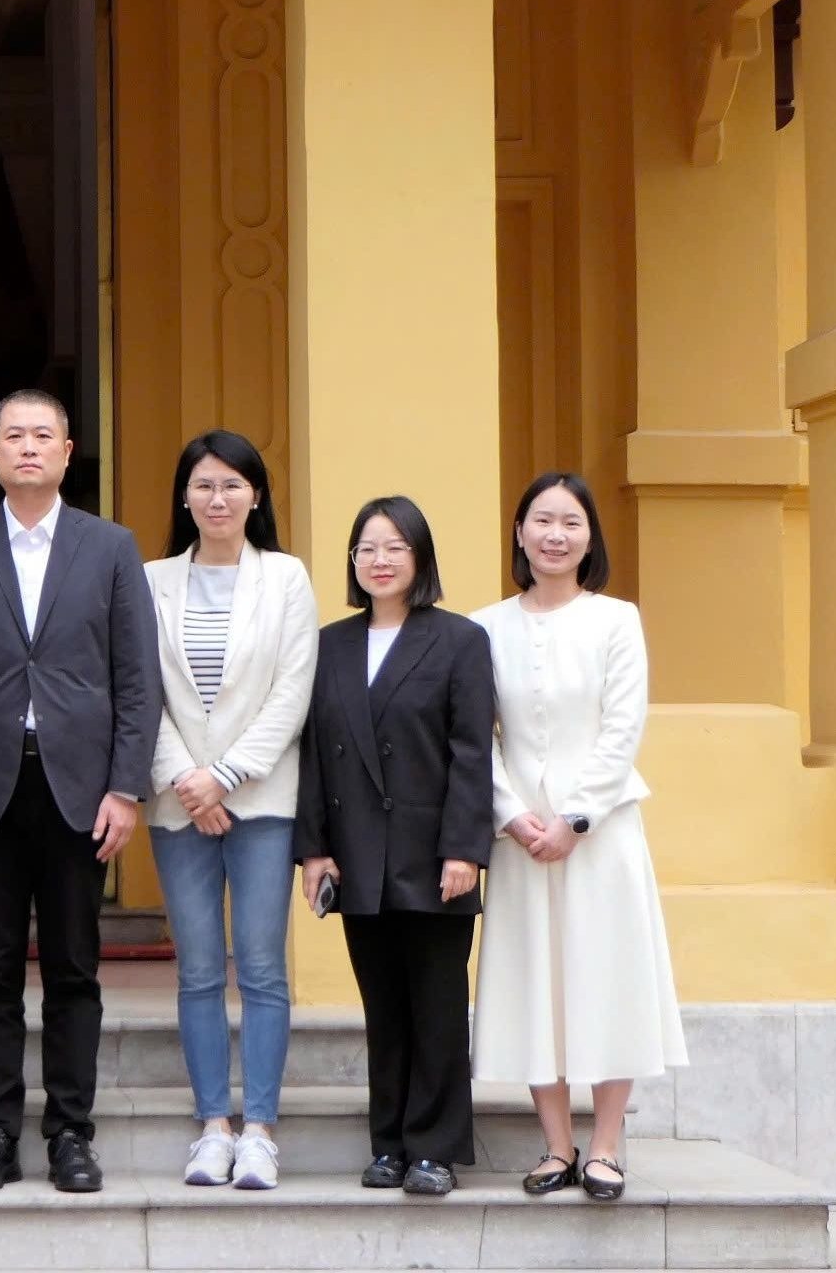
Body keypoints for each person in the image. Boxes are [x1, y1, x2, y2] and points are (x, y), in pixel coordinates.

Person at [0, 388, 160, 1195]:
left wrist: (126, 788)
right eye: (12, 436)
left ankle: (70, 1134)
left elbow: (137, 677)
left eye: (43, 436)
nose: (28, 447)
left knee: (73, 968)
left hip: (79, 789)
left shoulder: (110, 547)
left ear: (67, 452)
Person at [471, 472, 688, 1203]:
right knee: (535, 978)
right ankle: (556, 1146)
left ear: (589, 537)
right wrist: (512, 813)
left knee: (607, 976)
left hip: (602, 834)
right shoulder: (485, 626)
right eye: (541, 520)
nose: (555, 535)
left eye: (570, 522)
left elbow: (623, 727)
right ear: (520, 533)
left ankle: (605, 1145)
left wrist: (576, 819)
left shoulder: (616, 620)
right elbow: (477, 737)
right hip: (520, 835)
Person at [294, 495, 495, 1197]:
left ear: (420, 558)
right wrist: (313, 849)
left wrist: (465, 850)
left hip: (435, 854)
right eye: (366, 548)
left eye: (394, 547)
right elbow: (316, 753)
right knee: (384, 1009)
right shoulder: (330, 644)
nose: (379, 560)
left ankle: (434, 1149)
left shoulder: (461, 641)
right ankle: (388, 1145)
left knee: (437, 1008)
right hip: (356, 854)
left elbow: (472, 754)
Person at [141, 430, 318, 1191]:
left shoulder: (285, 578)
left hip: (263, 801)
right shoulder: (150, 580)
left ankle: (261, 1130)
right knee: (199, 970)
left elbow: (293, 692)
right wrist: (188, 778)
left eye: (233, 485)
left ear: (256, 496)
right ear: (184, 496)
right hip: (180, 802)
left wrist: (227, 777)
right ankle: (213, 1125)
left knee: (263, 967)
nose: (218, 499)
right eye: (204, 485)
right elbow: (136, 690)